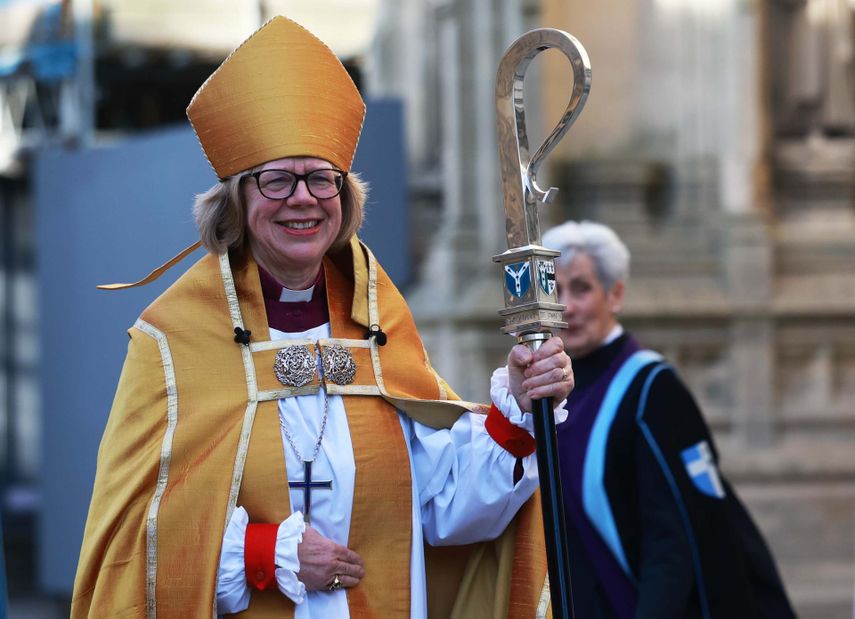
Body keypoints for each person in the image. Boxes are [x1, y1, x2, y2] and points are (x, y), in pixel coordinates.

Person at [71, 16, 574, 618]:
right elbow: (134, 540)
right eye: (277, 181)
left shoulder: (378, 327)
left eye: (320, 179)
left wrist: (517, 408)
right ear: (236, 200)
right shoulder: (173, 343)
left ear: (345, 197)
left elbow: (443, 508)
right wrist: (263, 553)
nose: (303, 198)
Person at [542, 220, 796, 619]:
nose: (567, 305)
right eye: (554, 291)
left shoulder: (651, 389)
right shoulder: (546, 394)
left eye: (582, 288)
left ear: (616, 294)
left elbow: (674, 539)